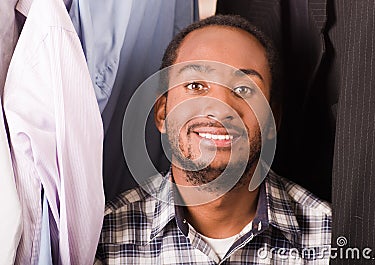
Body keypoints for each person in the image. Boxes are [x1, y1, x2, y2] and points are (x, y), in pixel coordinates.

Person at [95, 15, 331, 264]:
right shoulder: (103, 241)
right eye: (196, 85)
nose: (220, 109)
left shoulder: (333, 237)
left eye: (244, 89)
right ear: (162, 113)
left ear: (273, 120)